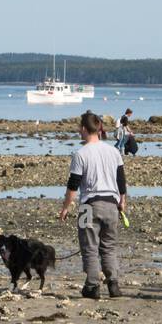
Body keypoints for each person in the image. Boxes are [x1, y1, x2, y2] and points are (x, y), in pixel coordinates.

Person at [59, 111, 127, 299]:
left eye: (78, 128)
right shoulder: (113, 152)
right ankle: (113, 283)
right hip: (111, 205)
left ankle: (92, 286)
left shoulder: (80, 154)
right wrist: (123, 201)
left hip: (89, 205)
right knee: (109, 247)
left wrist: (66, 207)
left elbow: (73, 184)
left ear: (83, 129)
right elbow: (121, 180)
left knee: (89, 246)